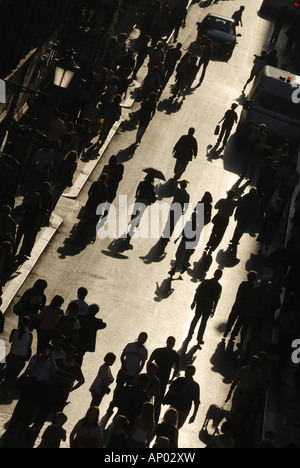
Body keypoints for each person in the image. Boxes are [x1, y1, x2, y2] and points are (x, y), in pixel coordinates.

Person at [3, 346, 58, 442]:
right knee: (21, 404)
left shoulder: (51, 362)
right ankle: (13, 425)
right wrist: (41, 359)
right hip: (32, 382)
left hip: (41, 385)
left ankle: (24, 426)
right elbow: (31, 367)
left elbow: (54, 372)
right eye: (47, 350)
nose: (47, 353)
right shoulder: (36, 357)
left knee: (32, 407)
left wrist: (52, 361)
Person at [111, 332, 148, 409]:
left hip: (132, 375)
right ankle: (113, 403)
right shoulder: (130, 345)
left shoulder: (144, 351)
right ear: (138, 337)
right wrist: (123, 365)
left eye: (144, 339)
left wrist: (137, 373)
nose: (142, 340)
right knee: (118, 389)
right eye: (141, 337)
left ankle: (121, 405)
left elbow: (142, 363)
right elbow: (122, 356)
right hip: (123, 372)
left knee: (127, 390)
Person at [1, 316, 33, 400]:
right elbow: (28, 347)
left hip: (12, 355)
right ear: (29, 324)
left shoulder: (14, 331)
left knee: (7, 372)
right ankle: (5, 392)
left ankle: (2, 388)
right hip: (21, 358)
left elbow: (10, 341)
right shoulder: (30, 335)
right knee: (13, 376)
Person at [148, 336, 180, 420]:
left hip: (162, 380)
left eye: (172, 343)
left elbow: (177, 368)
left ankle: (154, 419)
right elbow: (149, 361)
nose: (171, 344)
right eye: (170, 342)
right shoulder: (160, 351)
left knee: (157, 402)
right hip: (156, 378)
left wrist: (172, 378)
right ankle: (150, 417)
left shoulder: (173, 354)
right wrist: (149, 373)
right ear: (167, 342)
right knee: (149, 398)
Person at [189, 269, 223, 346]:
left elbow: (198, 292)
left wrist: (194, 302)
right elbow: (216, 300)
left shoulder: (206, 282)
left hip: (201, 303)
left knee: (196, 319)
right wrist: (214, 309)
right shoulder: (218, 287)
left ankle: (190, 334)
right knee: (203, 322)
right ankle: (199, 338)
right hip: (208, 306)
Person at [226, 355, 264, 423]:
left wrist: (255, 398)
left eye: (255, 363)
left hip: (249, 397)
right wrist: (230, 392)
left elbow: (260, 387)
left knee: (241, 413)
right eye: (252, 362)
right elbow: (235, 381)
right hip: (239, 393)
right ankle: (229, 424)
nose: (253, 364)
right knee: (233, 410)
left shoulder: (259, 374)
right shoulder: (243, 370)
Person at [163, 364, 200, 428]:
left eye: (189, 372)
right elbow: (170, 391)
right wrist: (178, 394)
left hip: (184, 411)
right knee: (166, 425)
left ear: (193, 373)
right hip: (174, 408)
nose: (187, 374)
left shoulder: (195, 386)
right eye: (186, 371)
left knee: (176, 428)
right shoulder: (179, 380)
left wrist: (194, 415)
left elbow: (196, 402)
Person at [223, 271, 258, 339]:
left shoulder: (243, 284)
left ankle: (227, 331)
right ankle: (233, 334)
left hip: (238, 304)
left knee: (232, 318)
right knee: (239, 322)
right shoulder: (254, 288)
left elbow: (238, 294)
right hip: (245, 308)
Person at [53, 347, 85, 415]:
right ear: (66, 354)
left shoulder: (76, 367)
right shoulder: (57, 361)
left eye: (72, 355)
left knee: (58, 411)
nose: (70, 356)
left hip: (64, 390)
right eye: (69, 354)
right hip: (53, 387)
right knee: (46, 407)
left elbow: (82, 380)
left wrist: (71, 389)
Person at [128, 174, 157, 239]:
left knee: (134, 210)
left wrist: (136, 194)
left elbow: (138, 189)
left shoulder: (142, 183)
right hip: (145, 201)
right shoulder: (152, 186)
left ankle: (132, 220)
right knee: (141, 213)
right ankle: (136, 223)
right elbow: (151, 194)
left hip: (139, 198)